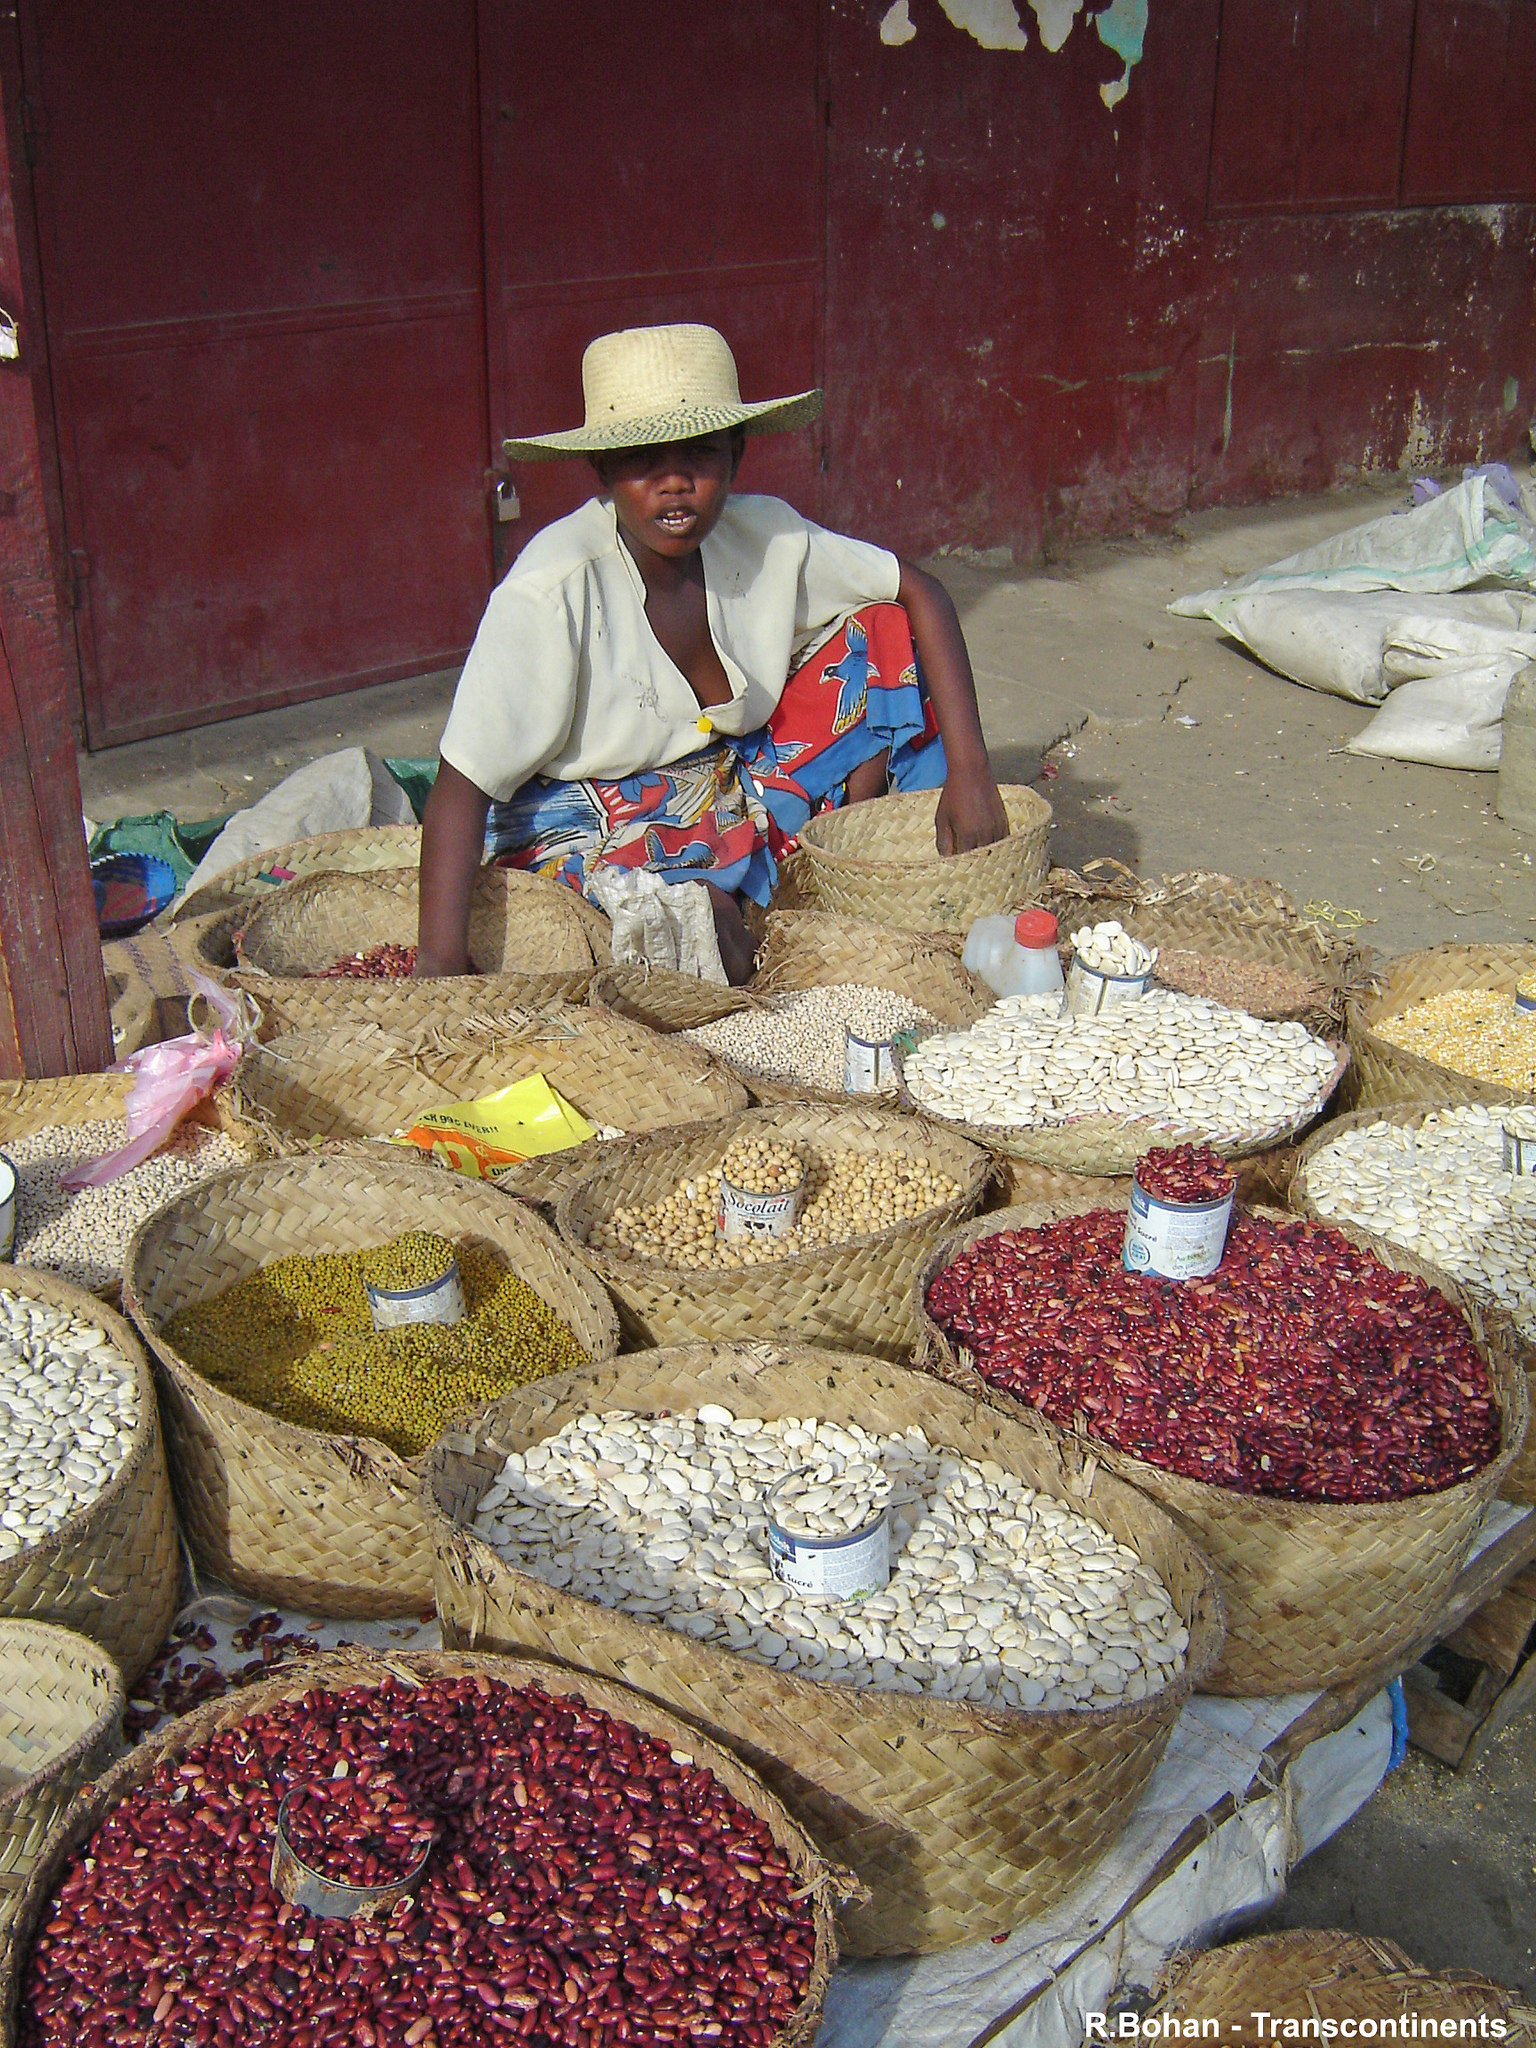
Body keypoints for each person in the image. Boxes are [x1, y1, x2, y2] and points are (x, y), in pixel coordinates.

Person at [417, 322, 1009, 983]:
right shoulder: (553, 587)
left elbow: (919, 591)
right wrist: (439, 968)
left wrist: (970, 771)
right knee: (701, 942)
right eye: (643, 459)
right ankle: (746, 892)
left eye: (699, 454)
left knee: (884, 632)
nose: (674, 482)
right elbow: (461, 787)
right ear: (603, 469)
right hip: (583, 813)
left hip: (728, 774)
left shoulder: (767, 535)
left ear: (736, 454)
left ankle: (864, 864)